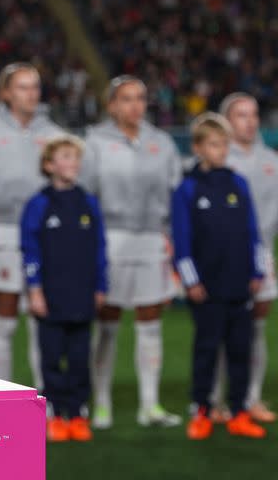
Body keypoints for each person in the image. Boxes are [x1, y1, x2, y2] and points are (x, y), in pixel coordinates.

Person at [81, 75, 182, 429]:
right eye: (126, 99)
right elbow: (86, 198)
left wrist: (172, 242)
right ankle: (102, 404)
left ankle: (150, 405)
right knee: (107, 325)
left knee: (150, 324)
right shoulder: (94, 142)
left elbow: (175, 197)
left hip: (152, 240)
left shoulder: (163, 143)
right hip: (111, 239)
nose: (134, 105)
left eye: (140, 98)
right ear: (111, 105)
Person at [0, 62, 65, 388]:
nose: (31, 94)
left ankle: (46, 397)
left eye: (35, 87)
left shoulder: (55, 136)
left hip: (51, 240)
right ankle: (0, 397)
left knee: (43, 322)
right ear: (6, 93)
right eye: (22, 87)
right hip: (7, 237)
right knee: (5, 323)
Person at [171, 113, 266, 440]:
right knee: (206, 351)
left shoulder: (238, 183)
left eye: (224, 143)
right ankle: (201, 411)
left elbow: (254, 232)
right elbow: (181, 240)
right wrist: (191, 280)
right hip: (207, 288)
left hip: (241, 283)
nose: (221, 149)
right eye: (214, 144)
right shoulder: (187, 188)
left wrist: (258, 270)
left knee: (241, 350)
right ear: (198, 147)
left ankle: (239, 412)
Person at [22, 136, 107, 443]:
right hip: (51, 297)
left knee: (80, 358)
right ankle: (55, 414)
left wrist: (101, 287)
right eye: (65, 157)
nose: (72, 163)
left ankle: (78, 413)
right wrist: (35, 290)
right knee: (52, 358)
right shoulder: (39, 203)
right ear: (49, 165)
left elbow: (100, 249)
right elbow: (30, 250)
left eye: (75, 157)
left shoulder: (88, 202)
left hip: (83, 295)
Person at [208, 93, 278, 423]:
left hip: (260, 253)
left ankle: (251, 398)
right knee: (221, 329)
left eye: (253, 115)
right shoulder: (218, 162)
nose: (249, 121)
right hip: (222, 257)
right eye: (240, 115)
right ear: (226, 121)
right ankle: (218, 399)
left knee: (256, 329)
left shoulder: (272, 161)